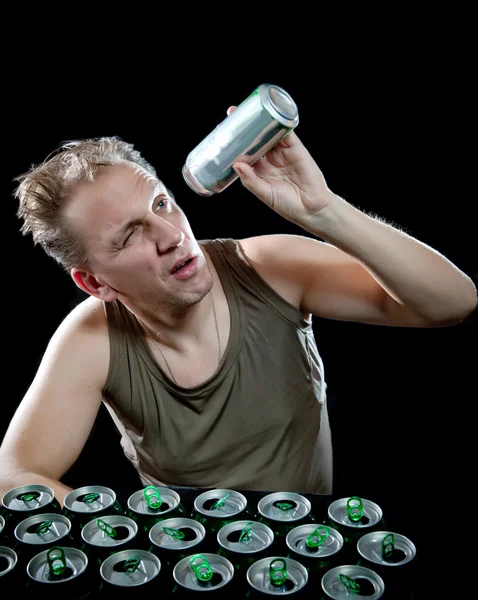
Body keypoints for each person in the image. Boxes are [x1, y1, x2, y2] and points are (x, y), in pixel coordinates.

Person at [1, 106, 476, 508]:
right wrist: (136, 534)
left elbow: (452, 303)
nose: (172, 237)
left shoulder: (268, 267)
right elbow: (16, 474)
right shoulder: (91, 336)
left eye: (162, 204)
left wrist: (323, 211)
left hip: (310, 547)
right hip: (195, 566)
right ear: (94, 282)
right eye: (129, 236)